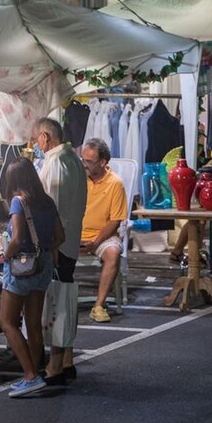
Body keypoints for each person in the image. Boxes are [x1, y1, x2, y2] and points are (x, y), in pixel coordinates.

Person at [0, 158, 64, 398]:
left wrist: (4, 255)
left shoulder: (18, 202)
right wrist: (44, 249)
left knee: (7, 322)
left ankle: (30, 375)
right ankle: (35, 372)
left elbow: (16, 238)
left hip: (21, 266)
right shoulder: (46, 201)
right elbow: (60, 235)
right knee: (33, 322)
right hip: (43, 264)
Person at [34, 117, 87, 383]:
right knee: (65, 298)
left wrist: (50, 245)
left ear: (45, 137)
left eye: (36, 138)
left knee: (57, 302)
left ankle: (55, 366)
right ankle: (66, 360)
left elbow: (51, 209)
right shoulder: (72, 158)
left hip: (60, 243)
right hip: (70, 239)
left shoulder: (55, 162)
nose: (35, 143)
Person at [79, 138, 128, 323]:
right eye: (83, 160)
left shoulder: (115, 183)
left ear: (102, 162)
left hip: (103, 235)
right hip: (76, 233)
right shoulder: (79, 179)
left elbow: (115, 220)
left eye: (89, 161)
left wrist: (96, 242)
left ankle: (99, 305)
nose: (84, 164)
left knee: (113, 252)